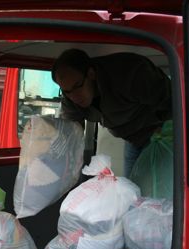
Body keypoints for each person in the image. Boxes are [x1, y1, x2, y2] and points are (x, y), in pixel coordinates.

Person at [51, 48, 172, 176]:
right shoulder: (70, 99)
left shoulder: (131, 73)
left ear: (91, 74)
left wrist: (165, 134)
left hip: (161, 133)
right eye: (67, 91)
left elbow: (172, 101)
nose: (74, 96)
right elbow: (70, 134)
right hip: (133, 140)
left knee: (158, 187)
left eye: (77, 86)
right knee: (133, 188)